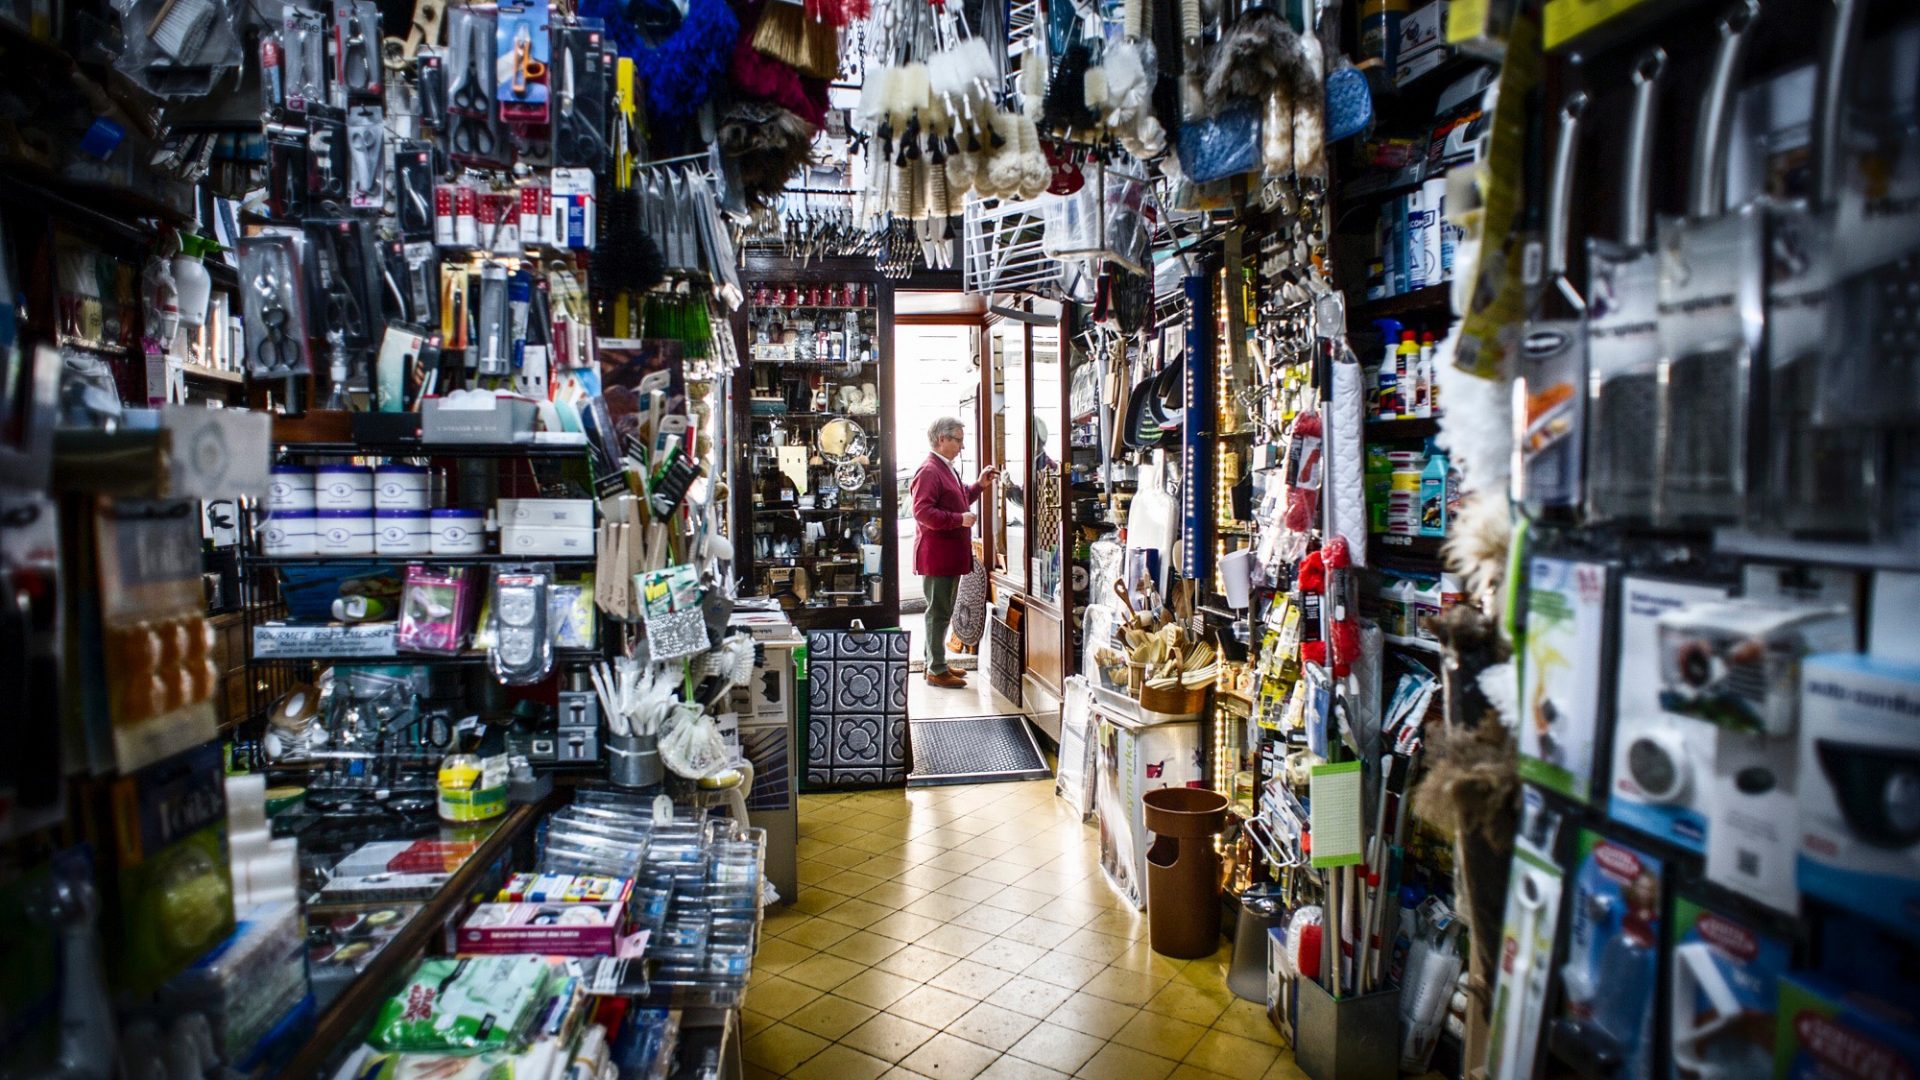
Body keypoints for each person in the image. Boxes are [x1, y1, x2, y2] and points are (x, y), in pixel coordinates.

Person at [911, 417, 997, 688]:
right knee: (938, 611)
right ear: (941, 439)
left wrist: (979, 486)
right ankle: (936, 669)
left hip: (946, 555)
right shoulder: (929, 470)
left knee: (942, 610)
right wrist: (958, 520)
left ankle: (934, 663)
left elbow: (956, 499)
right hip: (937, 556)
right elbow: (922, 512)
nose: (962, 445)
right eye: (958, 440)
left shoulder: (944, 468)